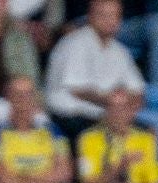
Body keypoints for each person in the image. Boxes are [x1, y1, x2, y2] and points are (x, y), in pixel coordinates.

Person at [45, 0, 144, 139]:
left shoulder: (120, 51)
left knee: (146, 131)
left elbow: (138, 91)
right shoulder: (75, 42)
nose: (110, 21)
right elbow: (77, 91)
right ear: (90, 17)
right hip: (69, 116)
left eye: (114, 16)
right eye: (103, 15)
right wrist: (113, 102)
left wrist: (126, 108)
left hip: (104, 116)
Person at [76, 88, 158, 183]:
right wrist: (119, 168)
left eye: (122, 108)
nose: (117, 113)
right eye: (111, 107)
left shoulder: (145, 140)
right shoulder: (88, 139)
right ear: (105, 111)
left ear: (131, 111)